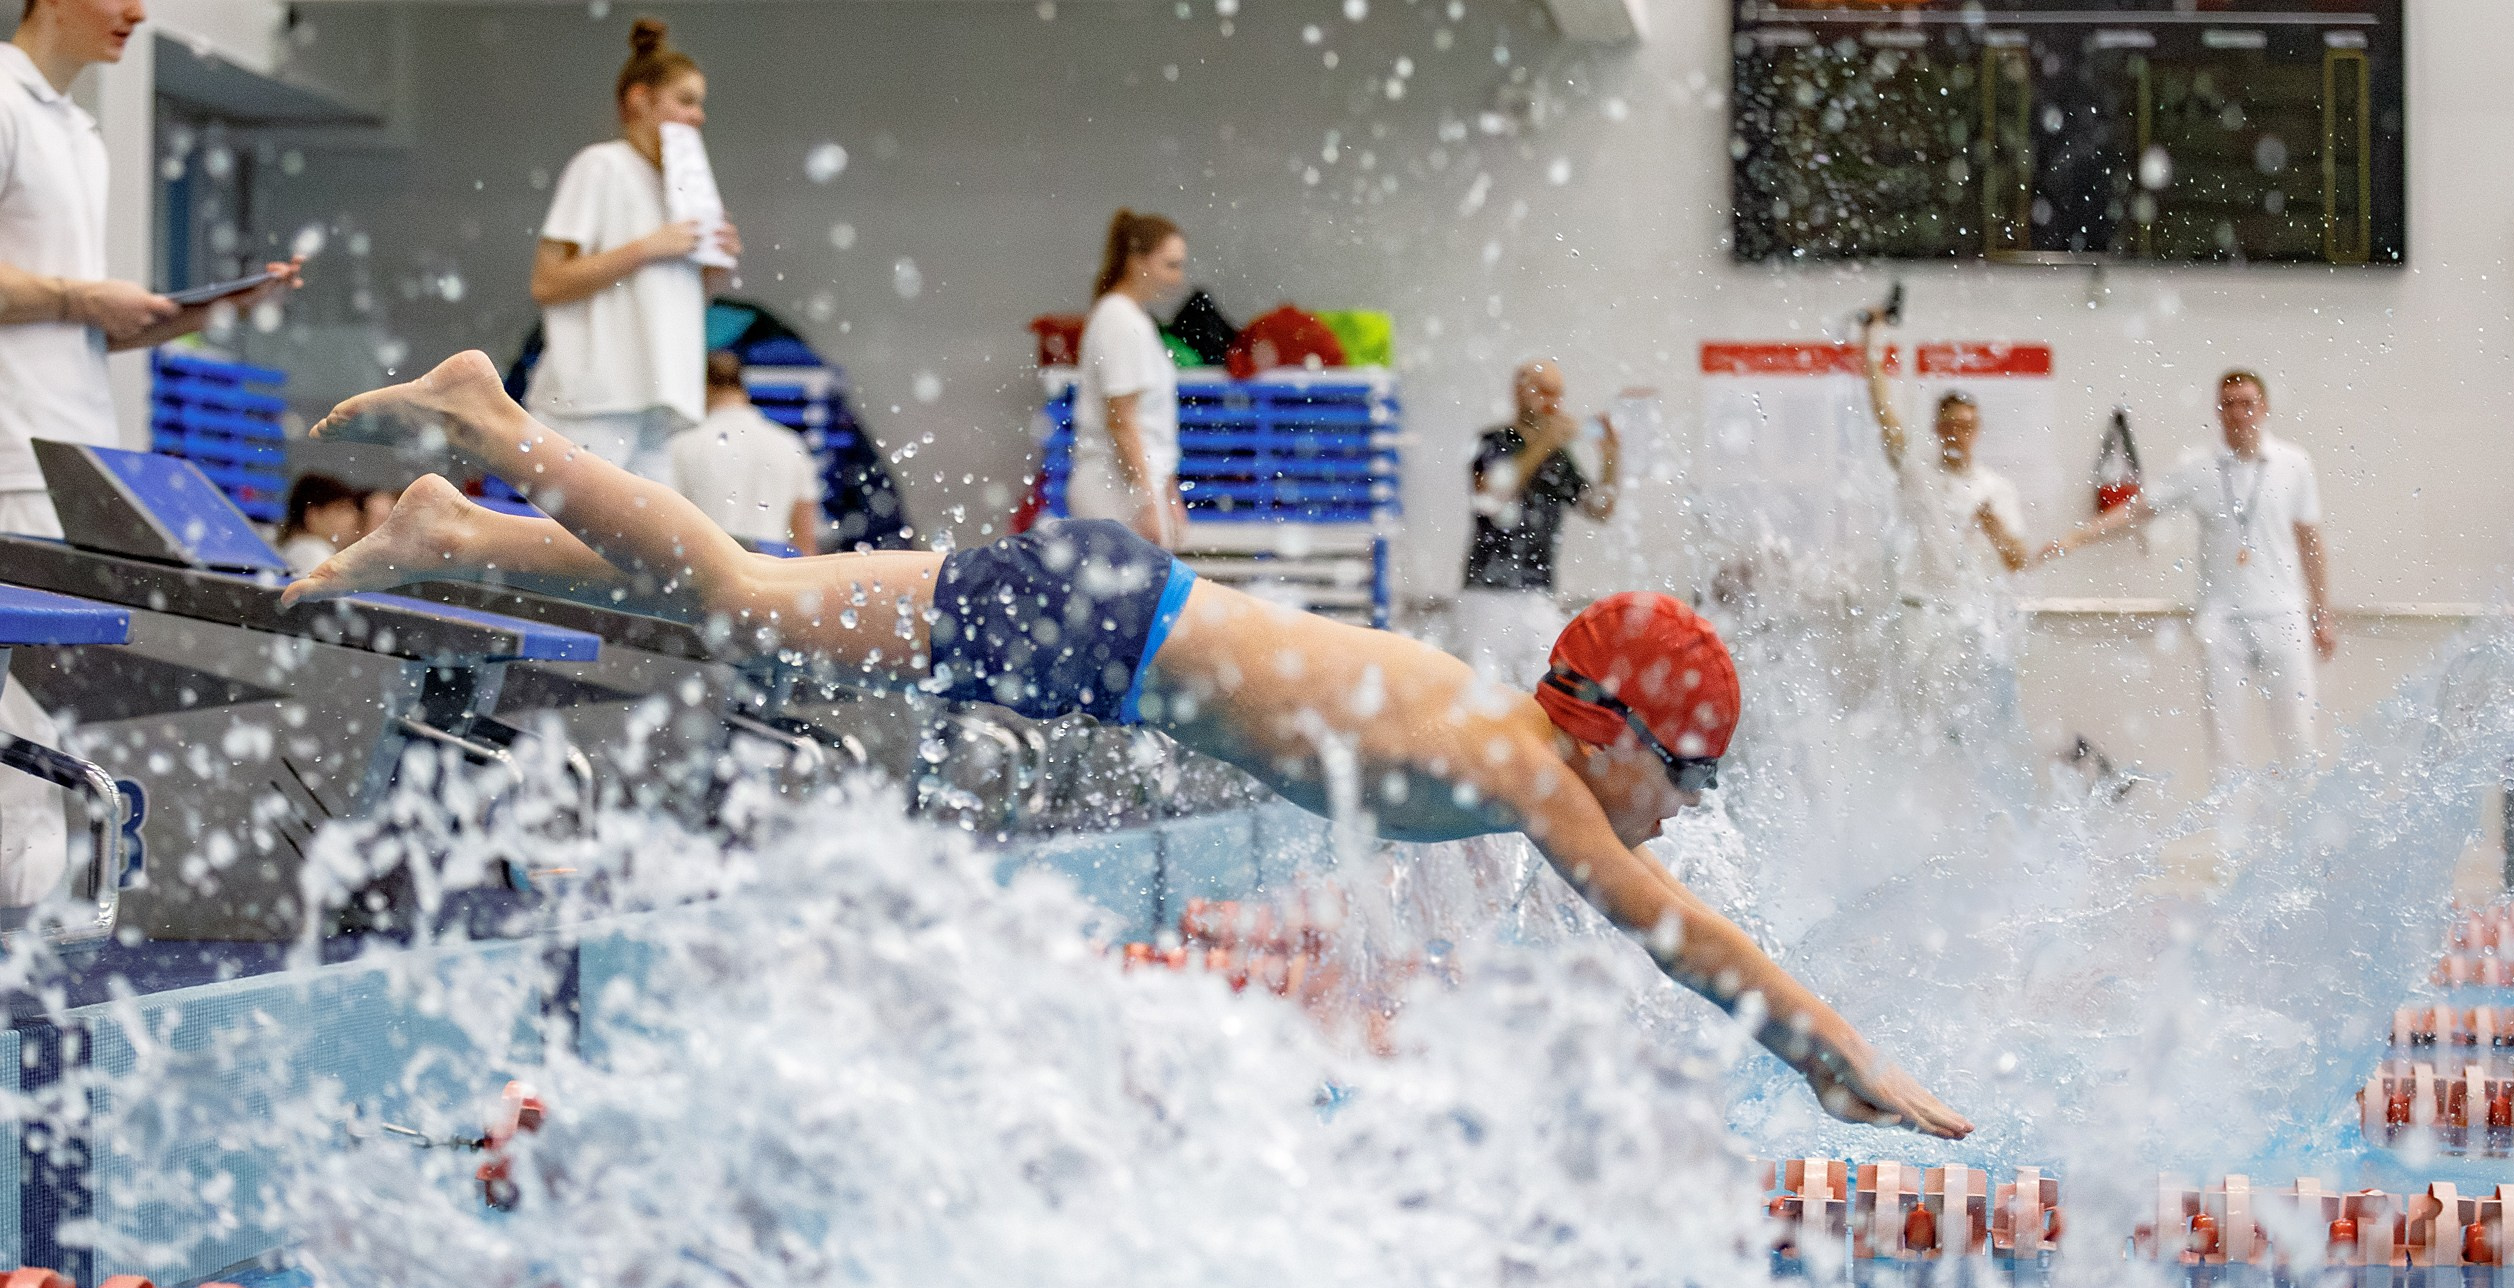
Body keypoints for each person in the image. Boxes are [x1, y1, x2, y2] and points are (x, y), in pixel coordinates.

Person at [285, 349, 1972, 1140]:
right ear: (1612, 735)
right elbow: (1665, 928)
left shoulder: (1502, 731)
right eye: (1685, 774)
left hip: (1106, 617)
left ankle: (453, 527)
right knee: (742, 595)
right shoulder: (1534, 768)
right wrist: (1831, 1052)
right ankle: (498, 423)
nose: (1684, 808)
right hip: (1102, 630)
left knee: (757, 601)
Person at [0, 0, 297, 538]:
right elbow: (76, 303)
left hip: (84, 465)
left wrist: (218, 309)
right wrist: (84, 299)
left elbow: (76, 330)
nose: (137, 13)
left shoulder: (82, 136)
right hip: (13, 466)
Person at [2042, 369, 2335, 778]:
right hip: (2222, 621)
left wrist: (2321, 612)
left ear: (2264, 407)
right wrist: (2077, 537)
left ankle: (2300, 813)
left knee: (2298, 739)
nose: (2239, 413)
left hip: (2283, 615)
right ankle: (2230, 819)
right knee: (2226, 747)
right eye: (2229, 404)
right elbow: (2138, 510)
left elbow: (2310, 540)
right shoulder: (2198, 467)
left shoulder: (2294, 463)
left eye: (2247, 403)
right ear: (2218, 411)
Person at [523, 17, 740, 487]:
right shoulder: (601, 166)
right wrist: (647, 247)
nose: (698, 117)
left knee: (645, 536)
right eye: (685, 101)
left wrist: (711, 265)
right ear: (640, 100)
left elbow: (664, 301)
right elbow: (547, 282)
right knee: (576, 532)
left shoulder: (678, 191)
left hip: (659, 398)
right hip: (594, 399)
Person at [1858, 311, 2030, 745]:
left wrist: (1992, 527)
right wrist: (1871, 344)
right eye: (1951, 425)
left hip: (1968, 618)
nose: (1959, 434)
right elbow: (1885, 415)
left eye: (1967, 425)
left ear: (1978, 429)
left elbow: (2017, 560)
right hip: (1919, 613)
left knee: (1971, 727)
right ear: (1937, 428)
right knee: (1917, 726)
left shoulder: (1996, 489)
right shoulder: (1919, 476)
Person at [1457, 359, 1618, 687]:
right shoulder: (1493, 441)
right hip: (1487, 592)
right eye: (1543, 391)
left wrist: (1611, 458)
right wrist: (1546, 441)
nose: (1552, 402)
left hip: (1538, 593)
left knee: (1546, 691)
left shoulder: (1557, 456)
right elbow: (1491, 496)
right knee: (1484, 693)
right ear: (1520, 391)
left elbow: (1599, 509)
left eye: (1558, 394)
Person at [1067, 211, 1186, 547]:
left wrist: (1168, 492)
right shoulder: (1118, 319)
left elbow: (1153, 424)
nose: (1178, 278)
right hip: (1114, 488)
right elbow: (1121, 419)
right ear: (1137, 261)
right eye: (1170, 265)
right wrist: (1145, 500)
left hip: (1130, 485)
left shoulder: (1133, 318)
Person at [665, 350, 821, 556]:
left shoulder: (680, 447)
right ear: (742, 386)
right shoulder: (791, 445)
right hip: (772, 566)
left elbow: (668, 529)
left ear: (703, 387)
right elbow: (804, 540)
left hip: (708, 566)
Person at [277, 472, 366, 576]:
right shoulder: (312, 553)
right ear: (313, 515)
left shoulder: (299, 550)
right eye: (341, 509)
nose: (353, 518)